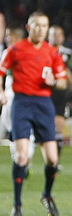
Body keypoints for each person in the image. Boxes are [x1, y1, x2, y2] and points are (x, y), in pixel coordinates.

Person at [0, 11, 68, 216]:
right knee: (21, 155)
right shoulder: (15, 49)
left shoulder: (52, 53)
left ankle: (46, 195)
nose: (41, 29)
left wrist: (54, 82)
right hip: (21, 102)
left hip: (43, 104)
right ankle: (17, 205)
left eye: (44, 26)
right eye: (37, 25)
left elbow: (63, 82)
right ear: (29, 28)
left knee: (52, 159)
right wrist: (1, 91)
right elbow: (1, 72)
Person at [0, 24, 36, 173]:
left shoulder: (27, 52)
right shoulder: (8, 52)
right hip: (10, 96)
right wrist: (1, 92)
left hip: (24, 96)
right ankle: (21, 159)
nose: (7, 38)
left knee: (25, 130)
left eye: (10, 36)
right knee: (11, 129)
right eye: (7, 36)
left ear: (17, 37)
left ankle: (24, 160)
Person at [48, 25, 72, 160]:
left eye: (59, 34)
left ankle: (54, 162)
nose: (56, 37)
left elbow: (66, 70)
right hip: (44, 91)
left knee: (59, 125)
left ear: (63, 37)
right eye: (53, 34)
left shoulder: (67, 53)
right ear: (48, 36)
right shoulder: (43, 50)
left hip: (60, 92)